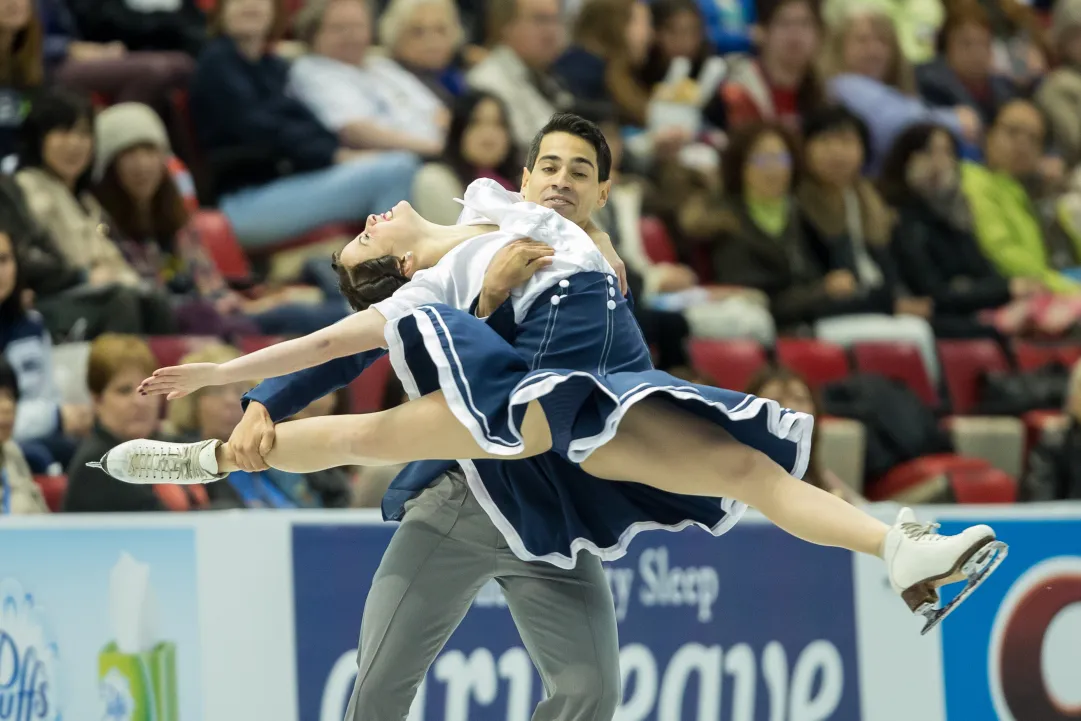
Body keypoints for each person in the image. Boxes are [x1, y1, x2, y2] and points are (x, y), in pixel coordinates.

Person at [100, 114, 1004, 637]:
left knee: (750, 472)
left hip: (595, 398)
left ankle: (901, 553)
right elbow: (329, 345)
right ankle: (210, 459)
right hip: (528, 393)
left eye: (580, 171)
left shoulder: (504, 211)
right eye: (365, 233)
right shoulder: (435, 283)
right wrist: (235, 373)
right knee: (363, 433)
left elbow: (591, 274)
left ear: (598, 187)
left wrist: (592, 248)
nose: (373, 216)